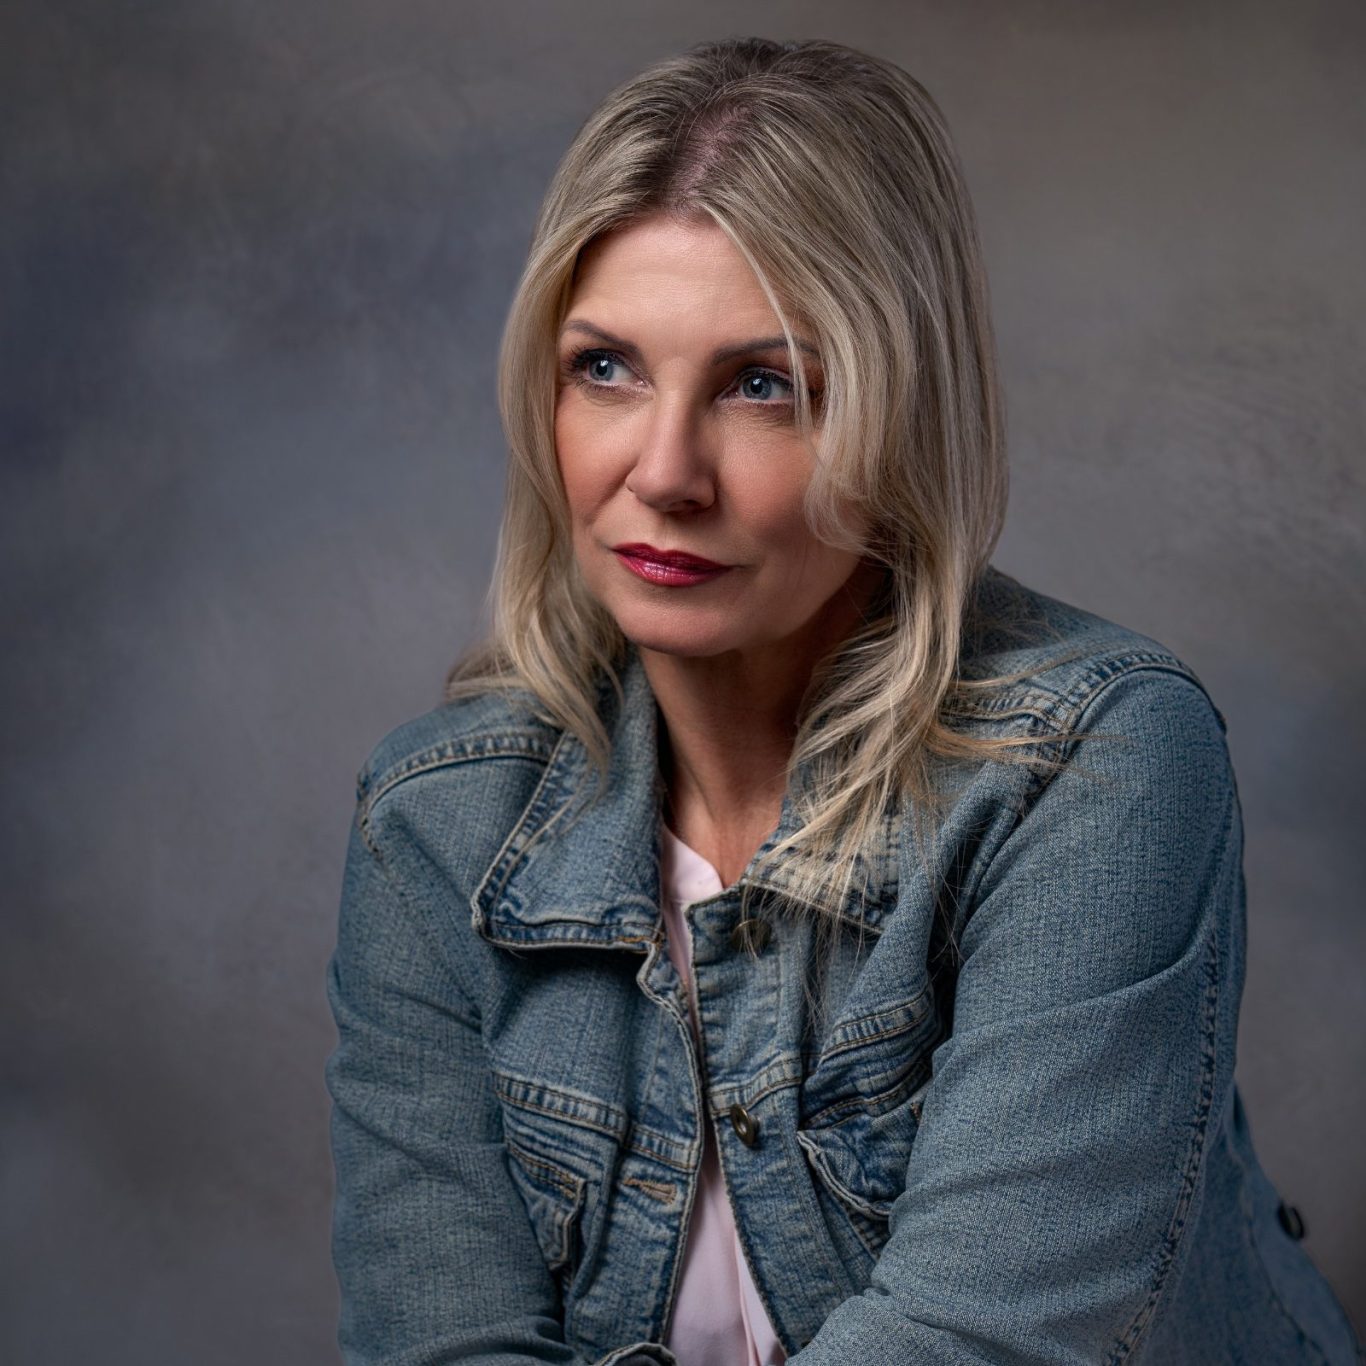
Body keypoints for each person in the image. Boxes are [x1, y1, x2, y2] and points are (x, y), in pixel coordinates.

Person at [323, 36, 1363, 1366]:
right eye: (607, 368)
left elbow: (976, 1341)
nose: (664, 471)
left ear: (898, 414)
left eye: (763, 385)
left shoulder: (1094, 764)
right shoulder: (434, 825)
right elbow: (441, 1340)